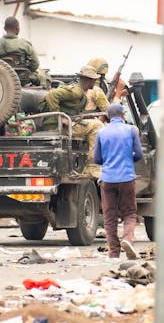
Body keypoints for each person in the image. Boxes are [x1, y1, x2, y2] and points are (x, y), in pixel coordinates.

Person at [93, 103, 143, 259]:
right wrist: (128, 159)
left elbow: (97, 158)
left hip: (107, 179)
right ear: (123, 115)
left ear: (108, 116)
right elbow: (139, 154)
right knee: (129, 213)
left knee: (110, 216)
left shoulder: (101, 132)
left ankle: (114, 252)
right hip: (127, 177)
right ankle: (127, 239)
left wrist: (108, 163)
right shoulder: (131, 130)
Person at [40, 65, 107, 176]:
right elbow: (52, 95)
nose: (95, 82)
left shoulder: (80, 92)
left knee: (93, 123)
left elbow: (73, 112)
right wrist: (60, 118)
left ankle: (88, 164)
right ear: (89, 80)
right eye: (94, 80)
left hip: (65, 124)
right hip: (58, 127)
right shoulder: (76, 91)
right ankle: (92, 166)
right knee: (97, 126)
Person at [0, 16, 43, 86]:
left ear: (5, 28)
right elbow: (35, 64)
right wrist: (26, 68)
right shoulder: (25, 44)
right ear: (18, 28)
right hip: (23, 79)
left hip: (2, 78)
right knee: (44, 76)